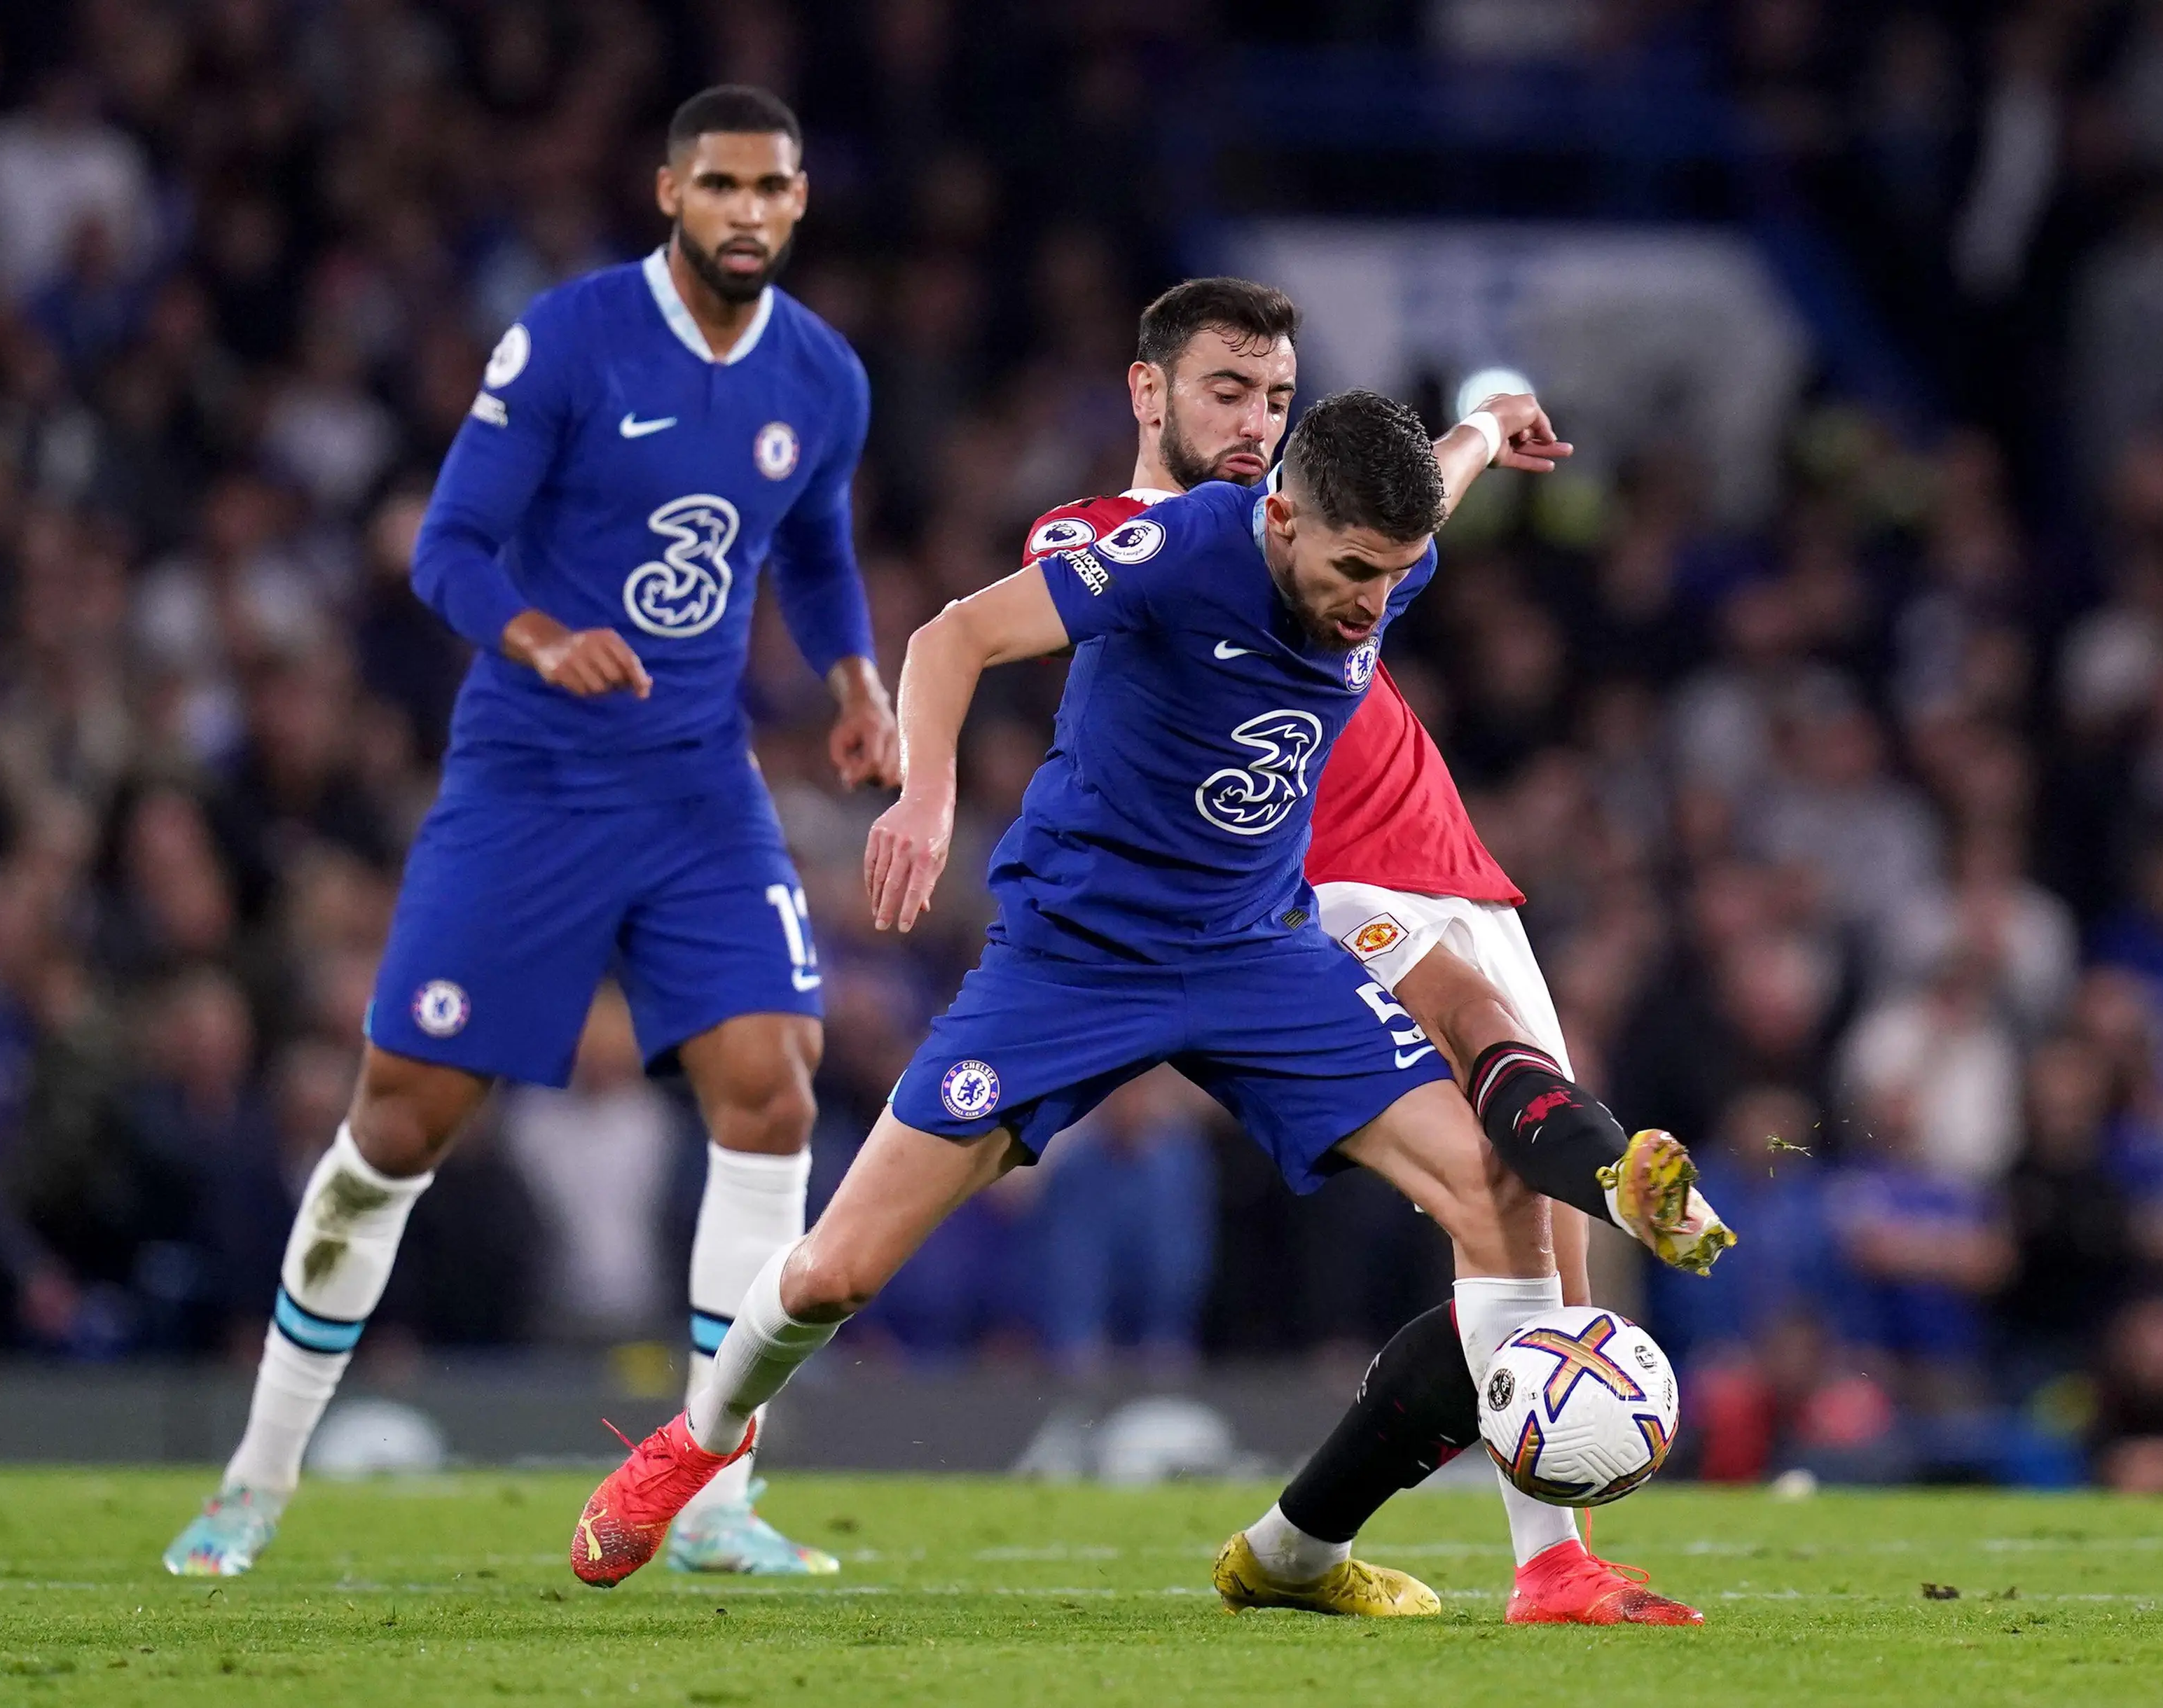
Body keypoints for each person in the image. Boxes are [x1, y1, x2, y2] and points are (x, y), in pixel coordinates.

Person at [568, 392, 1675, 1623]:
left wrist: (1483, 423)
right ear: (1283, 516)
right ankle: (696, 1441)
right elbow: (949, 638)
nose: (1372, 601)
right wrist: (927, 796)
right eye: (1354, 569)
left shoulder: (1385, 551)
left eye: (1398, 574)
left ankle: (1552, 1566)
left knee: (1498, 1183)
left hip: (1259, 953)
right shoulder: (1187, 550)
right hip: (1078, 960)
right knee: (835, 1270)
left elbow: (1446, 475)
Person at [163, 86, 899, 1578]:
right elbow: (446, 549)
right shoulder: (567, 341)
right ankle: (256, 1474)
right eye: (721, 186)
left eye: (772, 187)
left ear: (801, 201)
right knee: (398, 1124)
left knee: (773, 1088)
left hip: (697, 786)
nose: (747, 211)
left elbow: (812, 546)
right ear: (668, 193)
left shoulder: (824, 377)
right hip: (532, 780)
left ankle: (713, 1495)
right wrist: (542, 635)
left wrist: (855, 676)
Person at [1021, 279, 1727, 1623]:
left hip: (1458, 872)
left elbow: (1405, 504)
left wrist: (1481, 427)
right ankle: (1549, 1563)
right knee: (1519, 1214)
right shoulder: (1139, 548)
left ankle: (1298, 1549)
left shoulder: (1325, 534)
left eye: (1273, 401)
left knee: (1540, 1268)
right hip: (1332, 887)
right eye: (1226, 393)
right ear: (1149, 392)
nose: (1252, 424)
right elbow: (1049, 592)